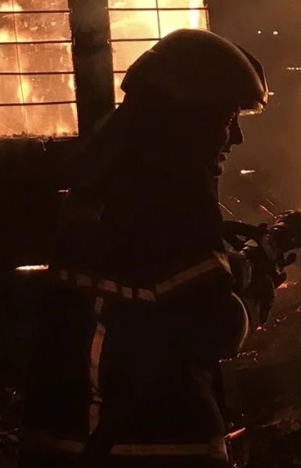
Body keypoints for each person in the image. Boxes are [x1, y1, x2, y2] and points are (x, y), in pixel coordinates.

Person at [20, 29, 281, 467]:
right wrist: (259, 292)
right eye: (225, 118)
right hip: (150, 440)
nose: (234, 138)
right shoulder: (175, 193)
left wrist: (227, 263)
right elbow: (215, 328)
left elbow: (148, 286)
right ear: (186, 117)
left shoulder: (102, 180)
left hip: (68, 435)